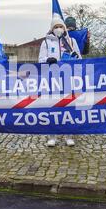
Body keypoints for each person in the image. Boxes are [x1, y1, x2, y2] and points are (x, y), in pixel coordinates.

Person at [39, 15, 82, 147]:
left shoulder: (71, 41)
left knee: (69, 106)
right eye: (56, 27)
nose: (59, 29)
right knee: (53, 107)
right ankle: (52, 136)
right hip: (52, 79)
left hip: (68, 78)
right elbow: (40, 60)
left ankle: (69, 135)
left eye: (60, 26)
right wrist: (47, 60)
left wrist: (75, 57)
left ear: (64, 28)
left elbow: (80, 59)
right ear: (52, 29)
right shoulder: (46, 42)